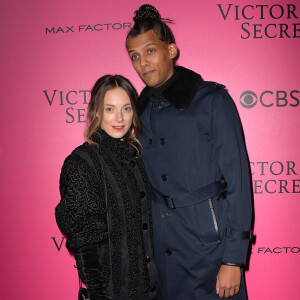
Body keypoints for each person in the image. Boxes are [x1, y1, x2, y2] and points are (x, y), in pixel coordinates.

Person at [126, 4, 252, 300]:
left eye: (150, 51)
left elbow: (238, 183)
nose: (142, 62)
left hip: (208, 248)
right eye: (134, 56)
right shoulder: (137, 111)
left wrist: (233, 259)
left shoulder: (212, 100)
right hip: (159, 251)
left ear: (171, 50)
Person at [55, 75, 157, 300]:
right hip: (112, 294)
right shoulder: (83, 162)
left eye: (126, 108)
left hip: (151, 291)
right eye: (110, 109)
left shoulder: (138, 156)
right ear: (97, 112)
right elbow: (86, 242)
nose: (119, 118)